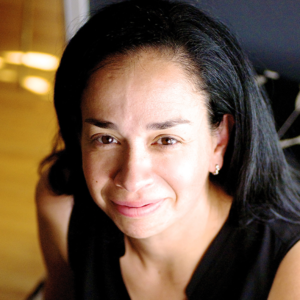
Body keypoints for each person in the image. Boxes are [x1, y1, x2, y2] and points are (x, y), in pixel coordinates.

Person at [36, 0, 300, 299]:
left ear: (219, 140)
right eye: (106, 138)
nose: (132, 179)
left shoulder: (291, 266)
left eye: (166, 140)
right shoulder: (62, 206)